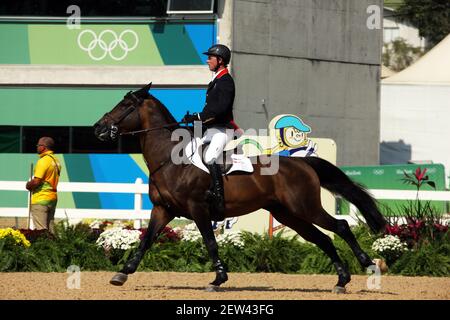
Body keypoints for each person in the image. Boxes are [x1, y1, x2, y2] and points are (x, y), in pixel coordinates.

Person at [182, 44, 238, 214]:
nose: (207, 61)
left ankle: (218, 197)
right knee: (190, 150)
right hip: (211, 129)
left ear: (220, 60)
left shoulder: (226, 81)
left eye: (210, 58)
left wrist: (198, 117)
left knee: (210, 156)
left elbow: (220, 109)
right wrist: (194, 120)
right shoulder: (216, 81)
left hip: (223, 130)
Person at [25, 137, 61, 234]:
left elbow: (37, 181)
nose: (37, 147)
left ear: (43, 147)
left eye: (38, 145)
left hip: (41, 198)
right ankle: (55, 248)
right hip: (52, 198)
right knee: (51, 230)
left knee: (41, 231)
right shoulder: (56, 161)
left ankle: (44, 248)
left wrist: (28, 185)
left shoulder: (43, 161)